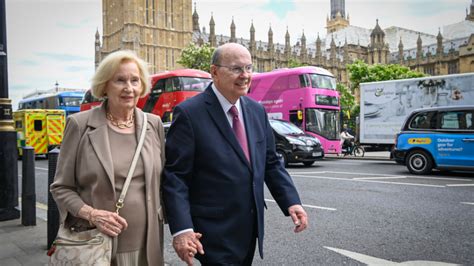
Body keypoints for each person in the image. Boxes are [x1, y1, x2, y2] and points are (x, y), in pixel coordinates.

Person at [162, 43, 308, 265]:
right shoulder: (190, 113)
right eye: (236, 69)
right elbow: (176, 177)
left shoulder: (256, 110)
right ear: (214, 72)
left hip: (250, 228)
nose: (245, 75)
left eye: (249, 68)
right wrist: (182, 229)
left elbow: (270, 162)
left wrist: (291, 201)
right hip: (211, 231)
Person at [50, 50, 166, 265]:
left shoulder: (153, 124)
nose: (128, 88)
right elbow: (61, 187)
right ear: (104, 86)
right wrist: (92, 214)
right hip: (96, 244)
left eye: (134, 80)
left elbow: (164, 183)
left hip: (148, 245)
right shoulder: (79, 124)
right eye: (119, 80)